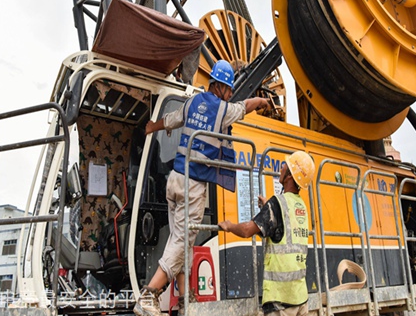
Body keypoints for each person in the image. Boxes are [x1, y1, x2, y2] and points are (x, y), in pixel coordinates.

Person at [134, 59, 271, 316]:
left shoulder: (192, 103)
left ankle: (186, 300)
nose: (230, 94)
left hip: (174, 180)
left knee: (182, 240)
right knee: (182, 241)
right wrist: (262, 102)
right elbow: (246, 106)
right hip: (192, 185)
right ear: (220, 87)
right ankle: (149, 294)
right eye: (229, 90)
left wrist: (152, 127)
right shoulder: (222, 110)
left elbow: (171, 120)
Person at [219, 151, 315, 316]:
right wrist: (268, 208)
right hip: (300, 297)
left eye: (286, 165)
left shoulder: (277, 204)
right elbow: (284, 227)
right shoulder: (301, 206)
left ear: (290, 176)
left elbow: (247, 230)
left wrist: (230, 226)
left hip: (281, 301)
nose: (282, 167)